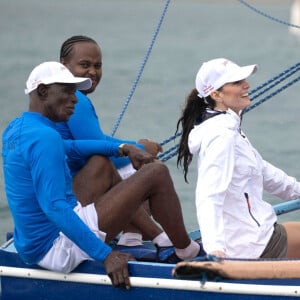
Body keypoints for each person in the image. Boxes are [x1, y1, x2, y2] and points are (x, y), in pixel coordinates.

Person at [2, 61, 204, 289]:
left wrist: (122, 149)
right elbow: (54, 206)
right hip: (56, 247)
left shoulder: (18, 128)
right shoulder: (44, 137)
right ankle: (186, 251)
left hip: (31, 242)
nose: (75, 99)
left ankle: (159, 238)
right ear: (43, 91)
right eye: (67, 91)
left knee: (100, 163)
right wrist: (105, 255)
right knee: (156, 172)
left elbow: (70, 147)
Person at [176, 58, 300, 259]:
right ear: (216, 94)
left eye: (243, 79)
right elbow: (209, 194)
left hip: (255, 235)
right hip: (250, 245)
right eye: (236, 82)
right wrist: (215, 249)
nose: (246, 85)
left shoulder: (228, 127)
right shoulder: (221, 135)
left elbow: (263, 171)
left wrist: (297, 190)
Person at [56, 35, 164, 247]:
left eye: (98, 66)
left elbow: (97, 141)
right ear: (63, 66)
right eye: (84, 65)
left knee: (139, 167)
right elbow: (97, 150)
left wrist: (135, 146)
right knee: (150, 170)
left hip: (69, 190)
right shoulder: (76, 98)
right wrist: (142, 149)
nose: (93, 72)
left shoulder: (61, 97)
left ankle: (134, 236)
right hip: (74, 198)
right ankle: (146, 236)